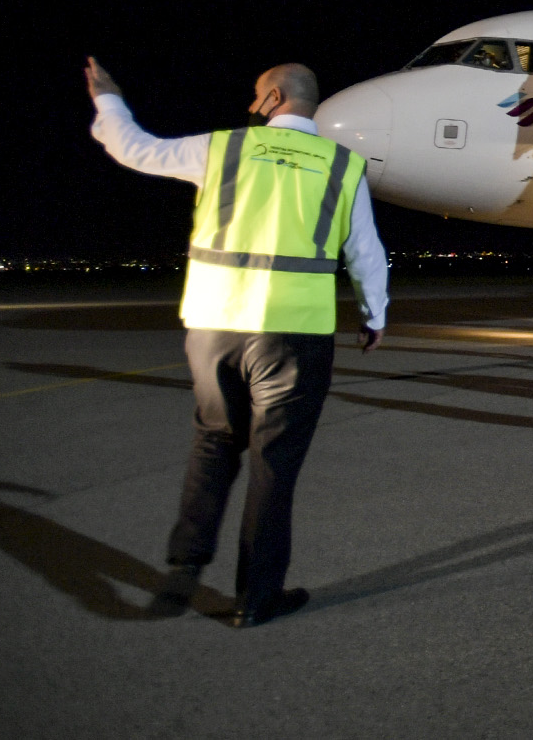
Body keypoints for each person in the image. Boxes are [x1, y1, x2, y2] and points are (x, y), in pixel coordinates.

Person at [84, 56, 388, 629]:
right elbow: (365, 252)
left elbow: (135, 149)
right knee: (274, 466)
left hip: (215, 326)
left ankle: (185, 564)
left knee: (214, 441)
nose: (250, 105)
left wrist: (108, 98)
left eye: (255, 95)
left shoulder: (223, 149)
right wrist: (375, 316)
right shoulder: (342, 165)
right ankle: (256, 599)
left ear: (273, 99)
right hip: (295, 335)